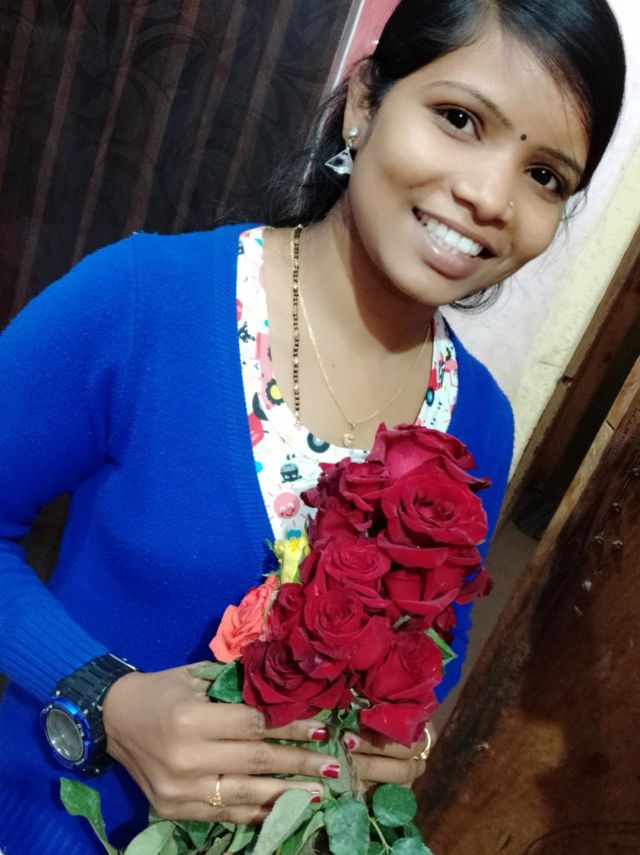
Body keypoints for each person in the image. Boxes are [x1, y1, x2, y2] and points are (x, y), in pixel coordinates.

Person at [0, 0, 626, 851]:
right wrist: (101, 696)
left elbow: (431, 652)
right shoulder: (144, 304)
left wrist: (400, 747)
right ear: (365, 102)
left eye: (545, 175)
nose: (489, 196)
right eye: (458, 119)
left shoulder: (477, 419)